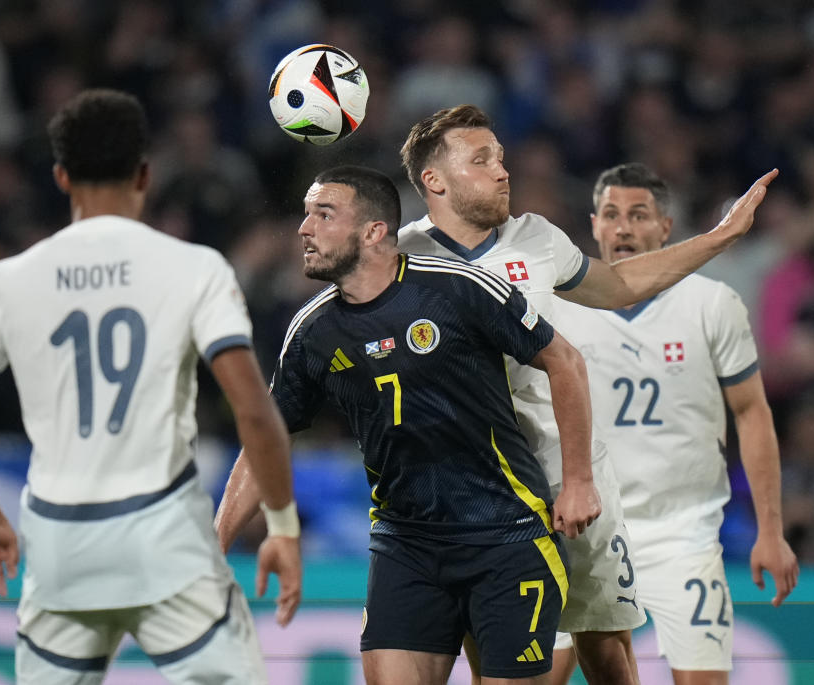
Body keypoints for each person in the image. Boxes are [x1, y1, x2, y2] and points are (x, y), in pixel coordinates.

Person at [0, 89, 301, 685]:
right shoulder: (194, 267)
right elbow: (255, 411)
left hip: (58, 545)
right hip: (164, 537)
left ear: (61, 176)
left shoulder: (6, 281)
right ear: (145, 174)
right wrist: (280, 525)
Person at [395, 104, 777, 685]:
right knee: (499, 663)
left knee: (605, 652)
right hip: (479, 489)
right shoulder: (400, 258)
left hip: (566, 472)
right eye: (481, 159)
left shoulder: (537, 239)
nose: (502, 171)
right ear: (434, 180)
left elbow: (622, 284)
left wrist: (721, 238)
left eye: (500, 157)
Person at [216, 164, 601, 684]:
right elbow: (265, 439)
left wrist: (578, 481)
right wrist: (212, 548)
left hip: (506, 537)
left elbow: (566, 362)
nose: (304, 228)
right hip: (406, 545)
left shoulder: (457, 290)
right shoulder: (312, 332)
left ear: (374, 232)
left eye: (324, 215)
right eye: (306, 214)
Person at [551, 162, 798, 684]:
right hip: (581, 533)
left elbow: (752, 414)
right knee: (538, 676)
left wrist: (770, 531)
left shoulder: (712, 304)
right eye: (612, 215)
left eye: (639, 215)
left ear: (665, 228)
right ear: (594, 225)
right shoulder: (560, 307)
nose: (623, 228)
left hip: (680, 533)